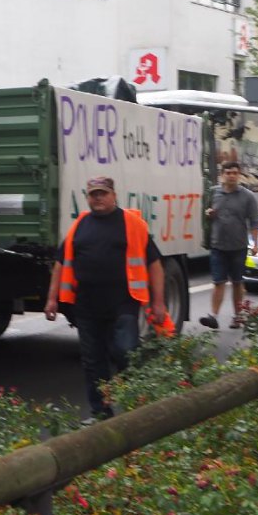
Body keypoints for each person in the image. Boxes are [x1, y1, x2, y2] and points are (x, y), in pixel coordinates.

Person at [44, 175, 169, 424]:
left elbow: (154, 264)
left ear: (114, 195)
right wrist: (51, 299)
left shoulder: (132, 223)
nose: (98, 198)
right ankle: (101, 413)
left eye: (103, 193)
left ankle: (134, 406)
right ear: (88, 198)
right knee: (93, 361)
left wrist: (158, 302)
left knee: (125, 352)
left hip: (123, 303)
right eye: (94, 194)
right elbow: (60, 263)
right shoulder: (80, 225)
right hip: (87, 306)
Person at [199, 160, 258, 329]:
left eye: (235, 173)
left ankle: (237, 316)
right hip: (217, 245)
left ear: (239, 175)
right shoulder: (213, 193)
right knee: (218, 281)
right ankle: (213, 316)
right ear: (222, 175)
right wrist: (208, 214)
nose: (232, 176)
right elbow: (204, 215)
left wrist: (256, 244)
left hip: (238, 247)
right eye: (228, 173)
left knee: (237, 282)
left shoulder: (248, 196)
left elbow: (254, 222)